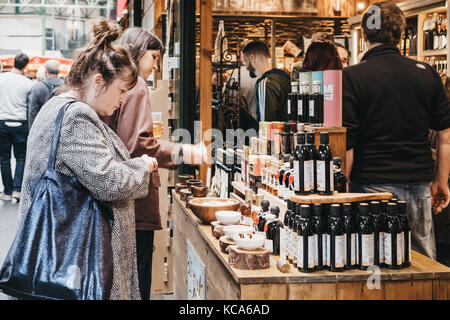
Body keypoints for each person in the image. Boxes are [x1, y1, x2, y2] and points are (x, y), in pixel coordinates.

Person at [19, 18, 159, 300]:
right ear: (98, 82)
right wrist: (142, 166)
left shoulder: (60, 106)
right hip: (74, 263)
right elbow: (108, 181)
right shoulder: (76, 116)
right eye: (121, 91)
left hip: (66, 255)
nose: (121, 100)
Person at [101, 27, 206, 300]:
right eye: (154, 57)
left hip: (119, 195)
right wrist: (183, 152)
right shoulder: (135, 86)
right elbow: (138, 145)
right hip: (134, 199)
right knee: (138, 280)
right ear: (137, 53)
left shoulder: (122, 85)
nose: (156, 65)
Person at [342, 1, 450, 260]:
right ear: (401, 34)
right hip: (419, 185)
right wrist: (441, 181)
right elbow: (445, 136)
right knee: (423, 266)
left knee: (374, 262)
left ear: (365, 34)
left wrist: (342, 190)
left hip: (370, 186)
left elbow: (347, 142)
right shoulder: (428, 74)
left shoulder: (352, 76)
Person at [0, 52, 33, 202]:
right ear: (25, 66)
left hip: (2, 122)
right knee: (21, 157)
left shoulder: (1, 78)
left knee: (4, 159)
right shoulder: (28, 83)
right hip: (21, 123)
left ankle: (7, 191)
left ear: (14, 62)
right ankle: (17, 190)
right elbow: (30, 106)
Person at [242, 40, 290, 122]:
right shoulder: (284, 78)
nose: (246, 67)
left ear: (252, 58)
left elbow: (265, 124)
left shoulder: (265, 83)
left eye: (246, 62)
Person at [28, 59, 64, 129]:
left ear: (46, 71)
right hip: (60, 128)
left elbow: (33, 112)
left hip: (41, 127)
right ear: (58, 71)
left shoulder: (38, 87)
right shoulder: (66, 86)